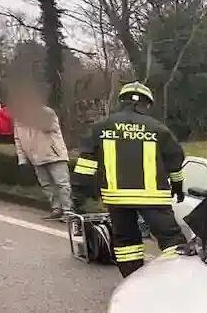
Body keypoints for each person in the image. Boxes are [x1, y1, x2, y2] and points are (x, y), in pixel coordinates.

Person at [71, 82, 187, 276]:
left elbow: (85, 165)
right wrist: (178, 186)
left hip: (116, 198)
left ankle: (132, 279)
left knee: (126, 242)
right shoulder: (158, 129)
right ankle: (179, 277)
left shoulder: (101, 128)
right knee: (171, 240)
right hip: (153, 197)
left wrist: (79, 195)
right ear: (146, 104)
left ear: (121, 101)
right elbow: (175, 161)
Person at [12, 89, 74, 220]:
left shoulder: (46, 112)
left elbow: (50, 127)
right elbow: (18, 139)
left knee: (62, 183)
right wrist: (22, 159)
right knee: (46, 185)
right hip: (35, 157)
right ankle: (56, 208)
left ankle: (68, 211)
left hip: (54, 154)